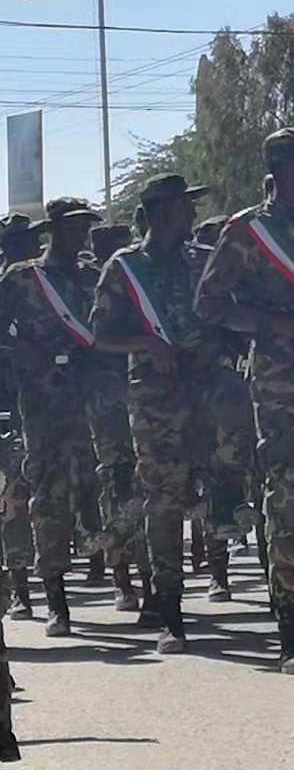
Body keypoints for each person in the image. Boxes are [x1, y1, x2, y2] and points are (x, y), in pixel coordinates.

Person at [196, 127, 294, 674]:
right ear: (284, 169)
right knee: (289, 493)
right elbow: (209, 304)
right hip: (279, 377)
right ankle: (290, 622)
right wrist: (269, 323)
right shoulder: (245, 231)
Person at [91, 174, 254, 653]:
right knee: (163, 501)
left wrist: (223, 342)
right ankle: (169, 609)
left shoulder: (203, 261)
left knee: (236, 398)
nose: (190, 215)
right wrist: (143, 342)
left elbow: (232, 319)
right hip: (156, 394)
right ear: (161, 212)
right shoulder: (124, 268)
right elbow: (99, 335)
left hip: (205, 380)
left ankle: (226, 494)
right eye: (184, 207)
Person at [0, 198, 106, 637]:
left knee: (101, 486)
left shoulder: (93, 276)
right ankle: (56, 599)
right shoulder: (23, 279)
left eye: (85, 227)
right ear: (53, 230)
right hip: (43, 401)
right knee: (48, 494)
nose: (79, 234)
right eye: (72, 227)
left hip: (93, 397)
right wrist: (25, 356)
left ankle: (122, 576)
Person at [84, 221, 148, 613]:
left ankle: (151, 580)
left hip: (145, 393)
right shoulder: (97, 285)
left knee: (150, 486)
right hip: (105, 399)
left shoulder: (141, 281)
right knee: (117, 485)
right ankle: (122, 577)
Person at [0, 217, 39, 622]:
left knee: (19, 501)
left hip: (28, 404)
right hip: (5, 405)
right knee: (11, 504)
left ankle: (24, 587)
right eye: (20, 242)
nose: (27, 248)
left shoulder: (39, 292)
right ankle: (19, 590)